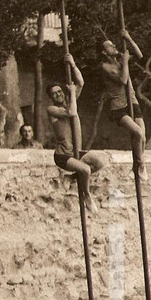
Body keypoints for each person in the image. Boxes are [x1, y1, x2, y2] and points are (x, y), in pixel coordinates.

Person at [45, 55, 105, 214]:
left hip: (76, 151)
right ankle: (86, 195)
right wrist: (72, 93)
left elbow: (80, 82)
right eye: (54, 94)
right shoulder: (52, 110)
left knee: (99, 162)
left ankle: (71, 178)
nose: (58, 95)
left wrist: (72, 64)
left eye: (59, 91)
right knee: (85, 170)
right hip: (63, 155)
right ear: (50, 98)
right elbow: (71, 112)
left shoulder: (70, 101)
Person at [99, 31, 147, 181]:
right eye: (109, 46)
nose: (114, 46)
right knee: (137, 132)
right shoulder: (105, 66)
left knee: (143, 137)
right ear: (104, 52)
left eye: (113, 44)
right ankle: (141, 164)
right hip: (119, 106)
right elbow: (123, 80)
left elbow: (139, 55)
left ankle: (136, 166)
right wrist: (125, 61)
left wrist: (128, 38)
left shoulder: (121, 59)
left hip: (132, 101)